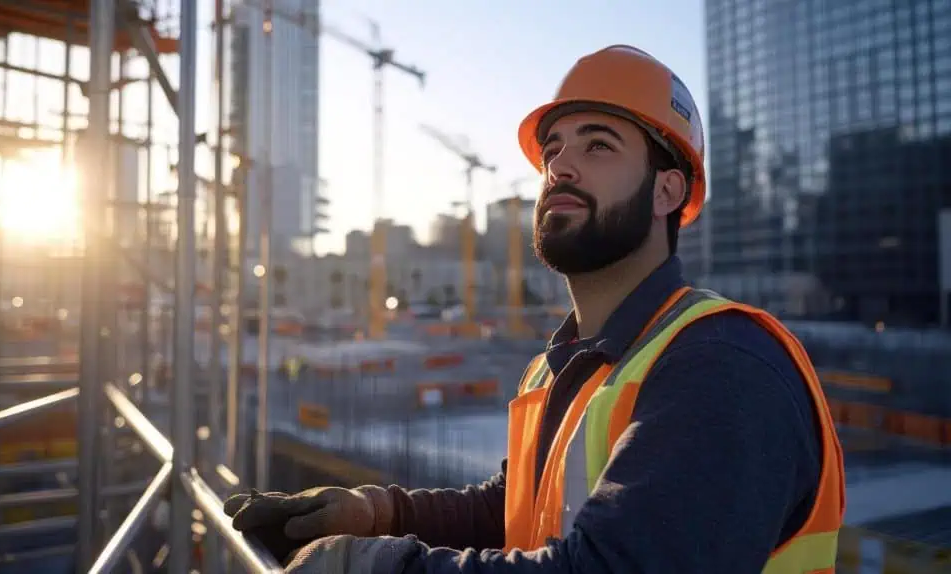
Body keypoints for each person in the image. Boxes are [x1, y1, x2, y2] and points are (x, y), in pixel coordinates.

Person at [225, 44, 846, 574]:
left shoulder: (723, 365)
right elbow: (514, 511)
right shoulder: (559, 367)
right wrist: (380, 512)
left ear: (667, 190)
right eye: (553, 149)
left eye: (598, 146)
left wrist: (386, 566)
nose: (560, 167)